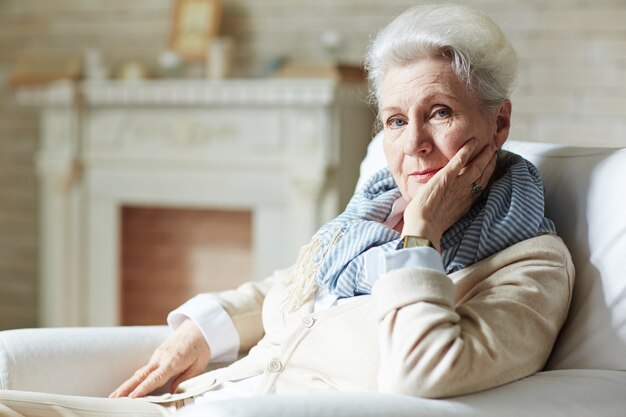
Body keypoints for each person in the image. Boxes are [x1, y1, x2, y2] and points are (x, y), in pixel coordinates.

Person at [0, 4, 574, 416]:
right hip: (206, 396)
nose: (414, 143)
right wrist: (205, 329)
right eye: (397, 120)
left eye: (441, 111)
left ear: (498, 124)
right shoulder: (374, 217)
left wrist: (422, 238)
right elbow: (296, 288)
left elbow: (422, 372)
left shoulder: (530, 267)